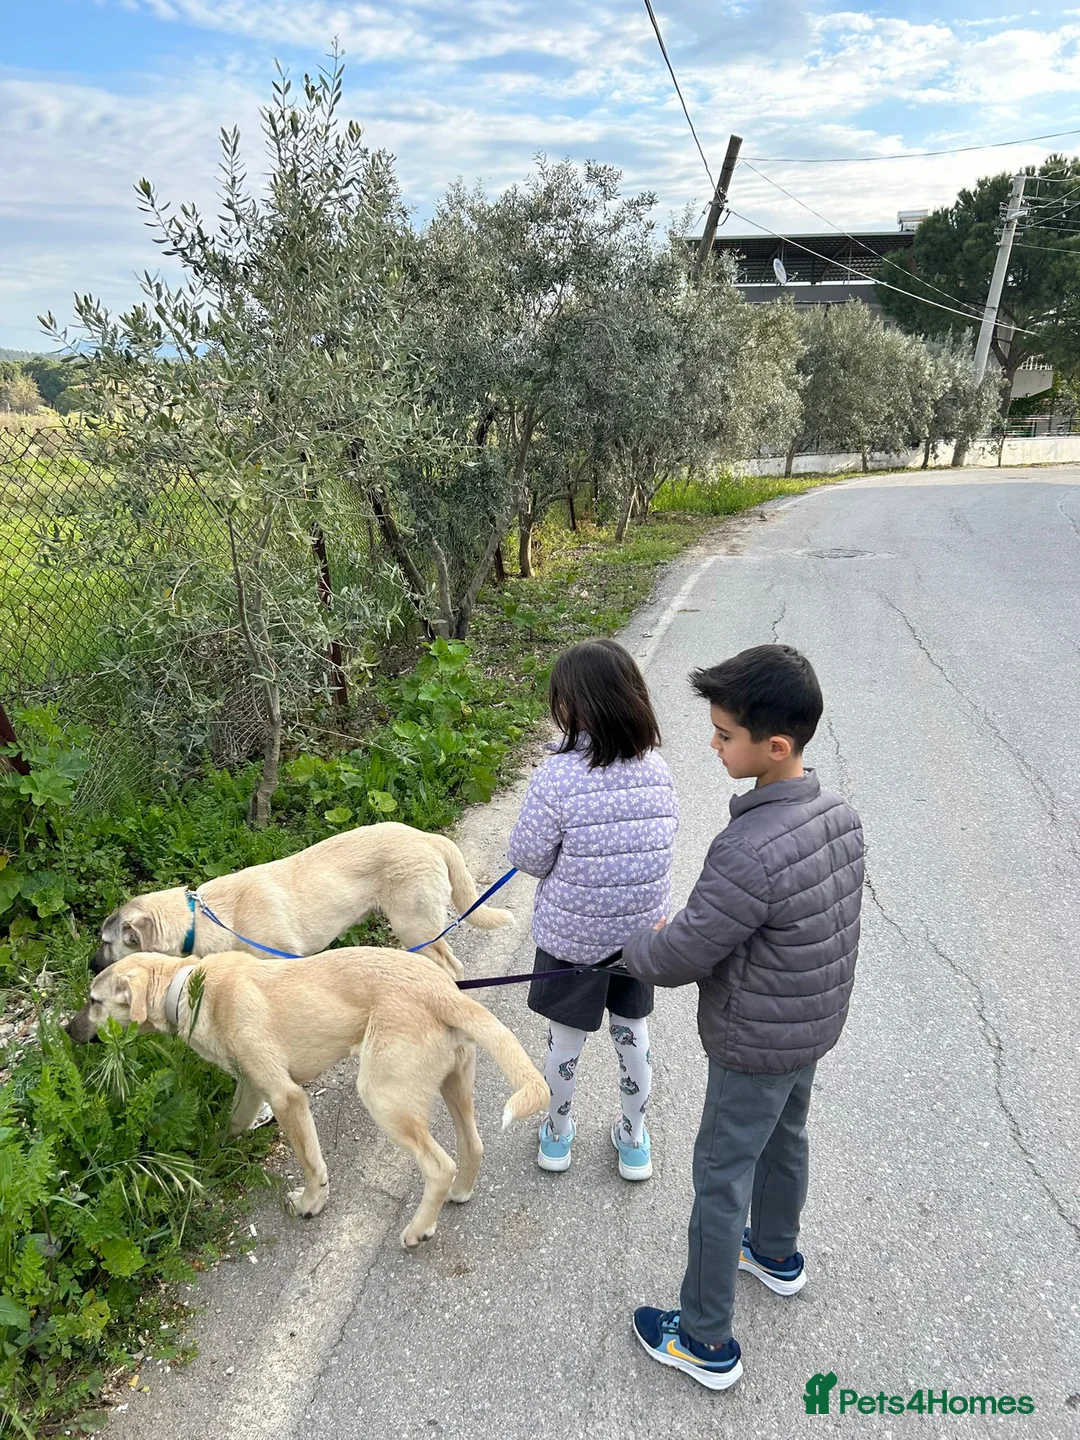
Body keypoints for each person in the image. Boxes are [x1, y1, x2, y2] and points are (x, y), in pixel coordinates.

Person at [621, 644, 864, 1390]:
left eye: (726, 734)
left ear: (776, 745)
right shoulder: (840, 815)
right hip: (811, 1027)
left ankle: (703, 1339)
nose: (715, 744)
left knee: (720, 1177)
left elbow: (682, 953)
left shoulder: (746, 848)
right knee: (786, 1138)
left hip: (753, 1041)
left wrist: (637, 946)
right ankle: (778, 1255)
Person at [507, 638, 678, 1180]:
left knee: (566, 1040)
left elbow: (530, 858)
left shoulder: (557, 775)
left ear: (572, 705)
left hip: (571, 943)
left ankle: (557, 1137)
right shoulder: (657, 767)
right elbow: (665, 842)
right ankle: (634, 1142)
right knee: (633, 1035)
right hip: (640, 940)